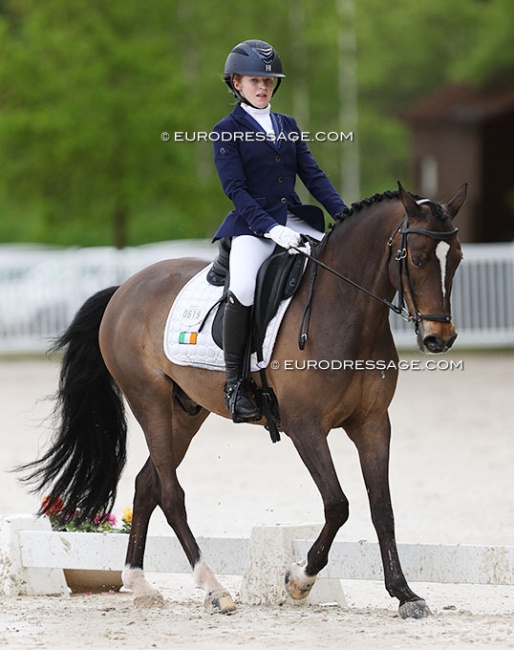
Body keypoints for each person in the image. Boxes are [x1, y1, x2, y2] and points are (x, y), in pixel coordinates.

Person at [212, 38, 347, 423]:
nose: (262, 87)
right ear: (236, 83)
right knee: (242, 287)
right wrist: (270, 228)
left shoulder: (287, 125)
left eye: (269, 82)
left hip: (296, 219)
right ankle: (235, 384)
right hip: (253, 227)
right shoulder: (227, 130)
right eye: (255, 81)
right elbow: (235, 190)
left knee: (344, 266)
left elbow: (313, 176)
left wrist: (346, 215)